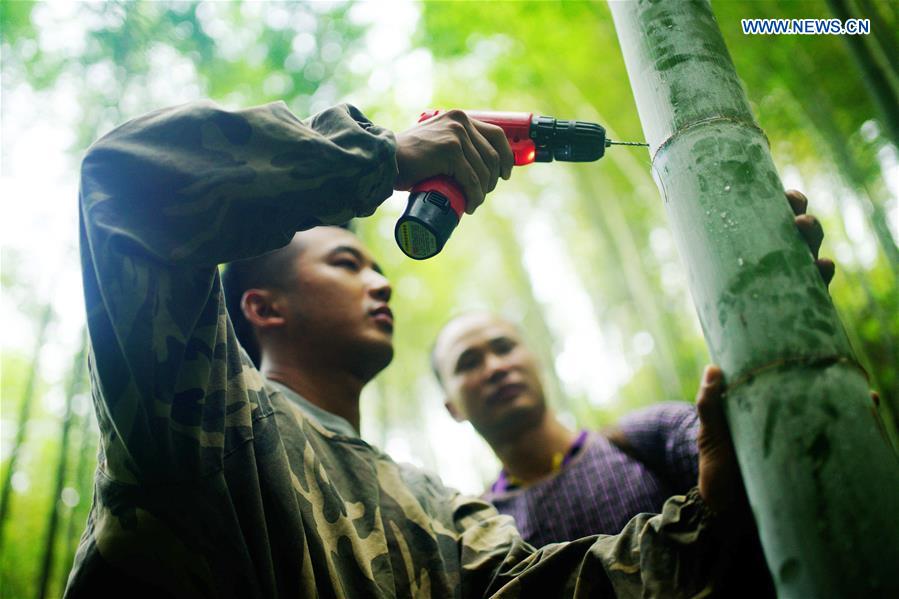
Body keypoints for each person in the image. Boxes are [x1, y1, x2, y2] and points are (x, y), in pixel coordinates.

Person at [68, 99, 749, 598]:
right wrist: (375, 159)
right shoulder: (207, 415)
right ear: (263, 306)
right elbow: (127, 183)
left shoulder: (437, 510)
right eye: (346, 263)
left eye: (378, 267)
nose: (380, 282)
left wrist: (713, 513)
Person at [430, 191, 833, 548]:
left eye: (504, 348)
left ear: (537, 362)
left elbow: (762, 452)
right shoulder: (475, 537)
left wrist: (770, 331)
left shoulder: (652, 436)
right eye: (469, 362)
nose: (496, 367)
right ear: (451, 407)